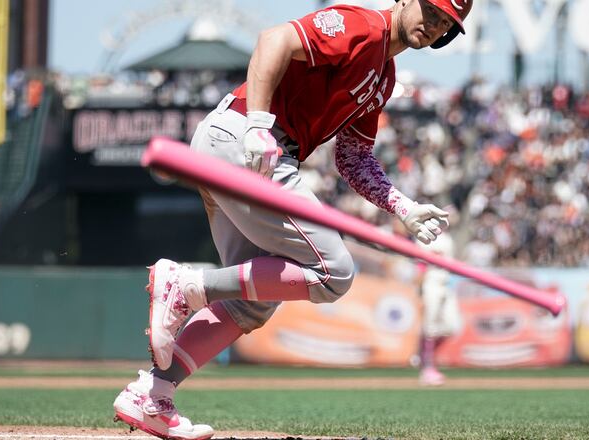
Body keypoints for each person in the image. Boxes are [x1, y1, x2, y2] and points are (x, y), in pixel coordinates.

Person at [113, 1, 473, 438]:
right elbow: (273, 40)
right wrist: (259, 125)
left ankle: (151, 395)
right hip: (246, 138)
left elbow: (353, 157)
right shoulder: (363, 25)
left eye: (444, 24)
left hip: (242, 145)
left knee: (252, 299)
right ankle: (190, 286)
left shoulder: (385, 77)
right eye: (430, 11)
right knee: (333, 273)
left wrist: (403, 206)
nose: (433, 26)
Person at [416, 232, 462, 386]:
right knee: (430, 327)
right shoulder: (422, 236)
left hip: (446, 283)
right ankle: (427, 369)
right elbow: (421, 265)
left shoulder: (448, 238)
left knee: (452, 326)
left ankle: (425, 356)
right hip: (431, 283)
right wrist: (420, 290)